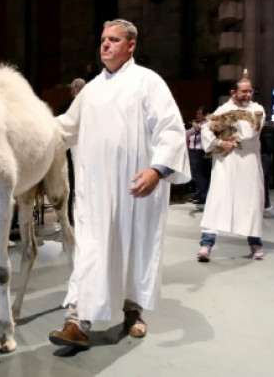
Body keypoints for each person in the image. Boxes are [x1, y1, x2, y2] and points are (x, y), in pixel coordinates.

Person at [49, 19, 190, 351]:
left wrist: (157, 170)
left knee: (133, 248)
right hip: (96, 192)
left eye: (113, 39)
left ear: (131, 45)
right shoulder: (90, 92)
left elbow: (170, 128)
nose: (105, 45)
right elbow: (65, 128)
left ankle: (133, 311)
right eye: (102, 39)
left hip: (135, 187)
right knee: (91, 250)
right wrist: (26, 126)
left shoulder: (147, 82)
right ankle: (76, 320)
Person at [196, 78, 267, 262]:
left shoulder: (257, 110)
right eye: (244, 91)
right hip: (226, 164)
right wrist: (220, 142)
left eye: (250, 91)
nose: (248, 95)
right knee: (217, 201)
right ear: (233, 92)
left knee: (251, 204)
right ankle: (206, 245)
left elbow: (250, 131)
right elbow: (206, 129)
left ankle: (255, 243)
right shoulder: (223, 110)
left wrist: (226, 126)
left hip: (248, 165)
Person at [57, 78, 86, 226]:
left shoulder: (64, 107)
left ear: (72, 91)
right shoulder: (90, 107)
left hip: (67, 152)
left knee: (69, 185)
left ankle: (67, 217)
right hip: (85, 150)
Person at [186, 106, 212, 210]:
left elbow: (208, 136)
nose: (197, 116)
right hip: (193, 151)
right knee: (195, 174)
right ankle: (198, 192)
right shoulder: (197, 125)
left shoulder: (208, 125)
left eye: (199, 114)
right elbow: (188, 133)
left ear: (205, 115)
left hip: (201, 151)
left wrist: (199, 130)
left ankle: (204, 195)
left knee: (202, 174)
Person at [259, 119, 274, 211]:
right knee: (263, 178)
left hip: (262, 154)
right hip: (265, 154)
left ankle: (265, 203)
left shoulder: (264, 127)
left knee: (262, 178)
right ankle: (266, 203)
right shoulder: (272, 126)